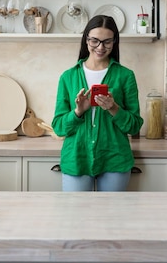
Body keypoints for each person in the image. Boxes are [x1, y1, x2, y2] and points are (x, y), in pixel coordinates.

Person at [52, 15, 143, 191]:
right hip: (77, 158)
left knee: (112, 217)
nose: (100, 47)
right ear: (86, 40)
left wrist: (114, 108)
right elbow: (58, 127)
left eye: (107, 41)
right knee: (75, 217)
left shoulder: (126, 76)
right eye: (95, 40)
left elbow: (134, 126)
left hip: (115, 158)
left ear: (114, 42)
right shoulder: (68, 77)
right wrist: (78, 112)